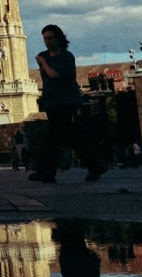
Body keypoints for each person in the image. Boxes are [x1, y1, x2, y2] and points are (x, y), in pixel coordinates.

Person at [32, 23, 105, 183]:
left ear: (59, 39)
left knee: (54, 138)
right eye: (44, 38)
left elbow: (54, 75)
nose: (47, 41)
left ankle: (47, 173)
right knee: (70, 137)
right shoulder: (43, 55)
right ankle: (96, 165)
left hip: (66, 101)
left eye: (50, 38)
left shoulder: (66, 56)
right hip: (52, 101)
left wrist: (44, 63)